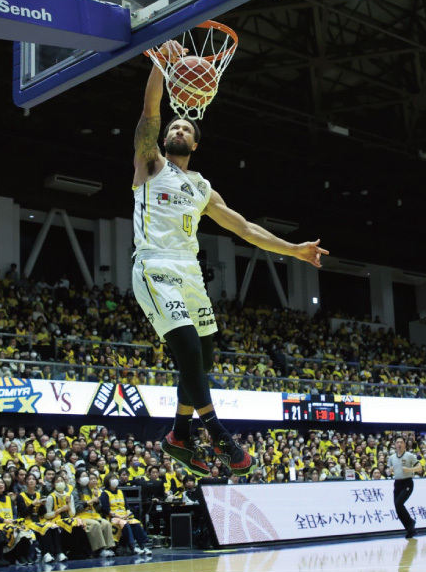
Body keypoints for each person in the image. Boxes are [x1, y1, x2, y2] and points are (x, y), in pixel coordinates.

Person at [132, 40, 328, 477]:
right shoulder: (150, 164)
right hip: (155, 265)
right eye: (174, 127)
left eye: (186, 129)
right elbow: (149, 111)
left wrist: (294, 250)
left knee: (204, 356)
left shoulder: (202, 187)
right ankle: (217, 432)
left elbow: (245, 228)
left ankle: (180, 434)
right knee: (185, 349)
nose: (178, 130)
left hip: (189, 274)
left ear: (195, 144)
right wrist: (161, 66)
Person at [388, 437, 422, 538]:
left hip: (407, 483)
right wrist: (389, 471)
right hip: (397, 483)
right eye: (397, 442)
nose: (399, 444)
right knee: (397, 508)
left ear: (405, 445)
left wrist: (409, 469)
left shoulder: (410, 456)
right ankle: (410, 529)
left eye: (401, 442)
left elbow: (420, 468)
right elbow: (387, 471)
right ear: (395, 444)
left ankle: (411, 523)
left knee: (399, 503)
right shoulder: (391, 458)